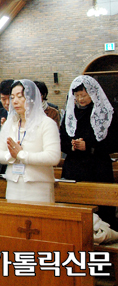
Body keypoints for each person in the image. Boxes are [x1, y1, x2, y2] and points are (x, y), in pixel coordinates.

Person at [60, 75, 118, 226]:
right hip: (74, 167)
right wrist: (71, 146)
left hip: (97, 167)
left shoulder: (105, 113)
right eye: (77, 95)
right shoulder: (70, 114)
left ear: (93, 93)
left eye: (84, 95)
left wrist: (89, 147)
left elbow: (114, 142)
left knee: (101, 208)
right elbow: (61, 139)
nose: (80, 99)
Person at [0, 79, 61, 202]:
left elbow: (53, 157)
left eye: (20, 97)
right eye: (12, 97)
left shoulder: (46, 123)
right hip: (14, 185)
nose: (15, 101)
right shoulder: (10, 123)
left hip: (38, 187)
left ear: (32, 98)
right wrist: (11, 156)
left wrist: (22, 155)